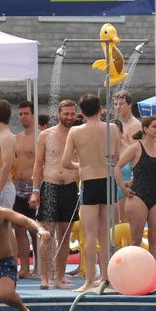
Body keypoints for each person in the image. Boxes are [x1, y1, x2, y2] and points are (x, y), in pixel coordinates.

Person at [62, 94, 120, 292]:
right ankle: (106, 277)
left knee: (90, 235)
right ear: (101, 109)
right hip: (108, 180)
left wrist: (82, 166)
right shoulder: (112, 128)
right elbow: (117, 157)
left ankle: (88, 281)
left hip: (89, 181)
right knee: (106, 234)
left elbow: (65, 162)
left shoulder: (76, 132)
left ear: (81, 112)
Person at [32, 99, 80, 290]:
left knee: (65, 234)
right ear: (59, 114)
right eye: (66, 113)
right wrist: (35, 191)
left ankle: (59, 276)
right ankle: (45, 276)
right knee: (47, 234)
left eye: (72, 114)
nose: (69, 117)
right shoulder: (46, 135)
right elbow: (38, 163)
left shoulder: (79, 134)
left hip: (70, 186)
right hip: (50, 186)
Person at [115, 116, 156, 267]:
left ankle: (153, 272)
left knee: (154, 238)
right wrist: (122, 187)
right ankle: (134, 271)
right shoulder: (136, 147)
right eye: (154, 126)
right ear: (145, 129)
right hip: (138, 195)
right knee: (136, 239)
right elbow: (117, 166)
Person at [13, 100, 38, 278]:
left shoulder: (40, 137)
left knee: (35, 229)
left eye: (26, 114)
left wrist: (37, 190)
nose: (23, 117)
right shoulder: (17, 138)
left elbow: (42, 165)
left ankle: (39, 266)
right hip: (17, 187)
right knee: (19, 229)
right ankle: (24, 268)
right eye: (20, 114)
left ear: (33, 114)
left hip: (33, 187)